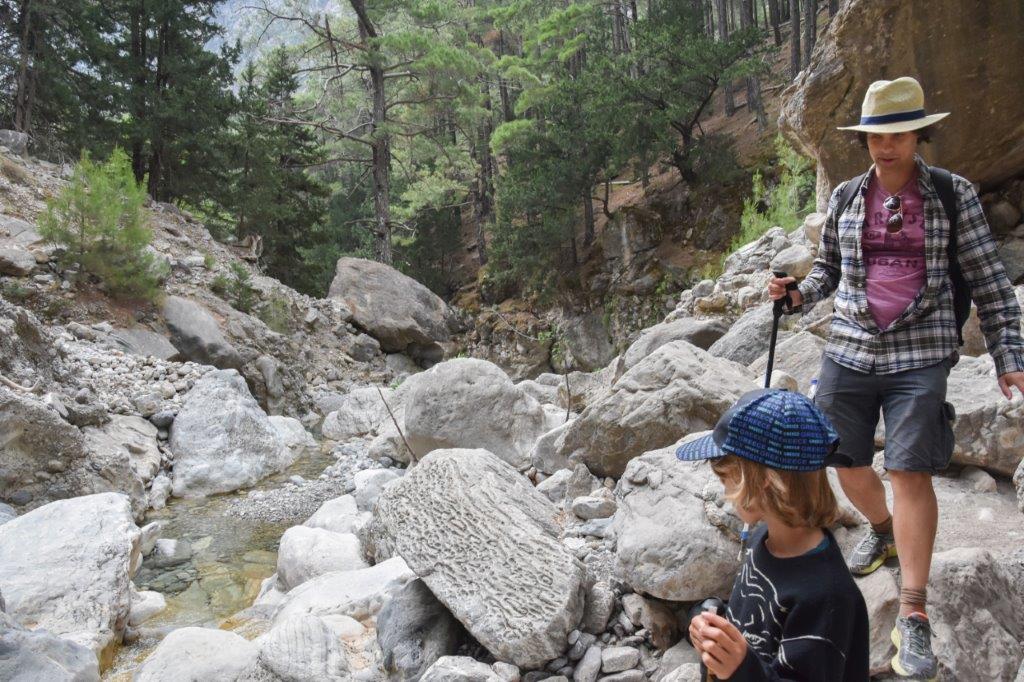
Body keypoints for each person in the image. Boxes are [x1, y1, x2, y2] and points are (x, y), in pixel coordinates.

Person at [768, 76, 1024, 680]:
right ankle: (881, 530)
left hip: (923, 348)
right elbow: (830, 270)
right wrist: (799, 294)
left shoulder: (952, 195)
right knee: (841, 457)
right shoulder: (848, 197)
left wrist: (1009, 354)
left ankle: (913, 613)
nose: (886, 146)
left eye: (898, 133)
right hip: (853, 344)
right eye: (876, 135)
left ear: (918, 134)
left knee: (910, 468)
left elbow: (988, 279)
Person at [678, 388, 869, 681]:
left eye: (727, 480)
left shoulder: (828, 598)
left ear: (764, 480)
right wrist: (714, 620)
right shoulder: (765, 537)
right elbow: (753, 620)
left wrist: (742, 668)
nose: (726, 494)